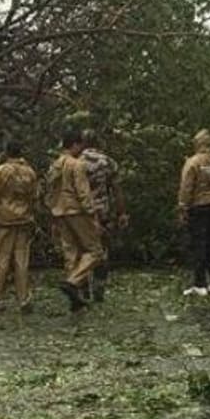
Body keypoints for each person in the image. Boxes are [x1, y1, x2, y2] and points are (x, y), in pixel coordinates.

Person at [45, 127, 102, 312]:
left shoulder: (55, 164)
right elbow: (83, 191)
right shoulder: (76, 164)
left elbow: (49, 191)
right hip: (76, 211)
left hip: (59, 211)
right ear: (76, 144)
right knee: (95, 251)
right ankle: (73, 282)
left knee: (71, 253)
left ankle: (75, 299)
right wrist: (91, 213)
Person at [0, 140, 39, 312]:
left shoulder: (0, 171)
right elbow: (35, 196)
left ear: (7, 152)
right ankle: (24, 298)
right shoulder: (30, 172)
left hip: (4, 220)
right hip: (24, 219)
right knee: (22, 260)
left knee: (1, 259)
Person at [178, 129, 210, 296]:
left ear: (197, 144)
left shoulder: (193, 162)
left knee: (199, 245)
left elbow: (186, 188)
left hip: (199, 208)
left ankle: (200, 284)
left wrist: (183, 207)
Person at [80, 129, 129, 302]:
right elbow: (117, 190)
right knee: (103, 250)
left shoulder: (75, 162)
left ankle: (83, 287)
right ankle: (99, 288)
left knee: (82, 250)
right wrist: (122, 212)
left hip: (81, 213)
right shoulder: (108, 162)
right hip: (103, 212)